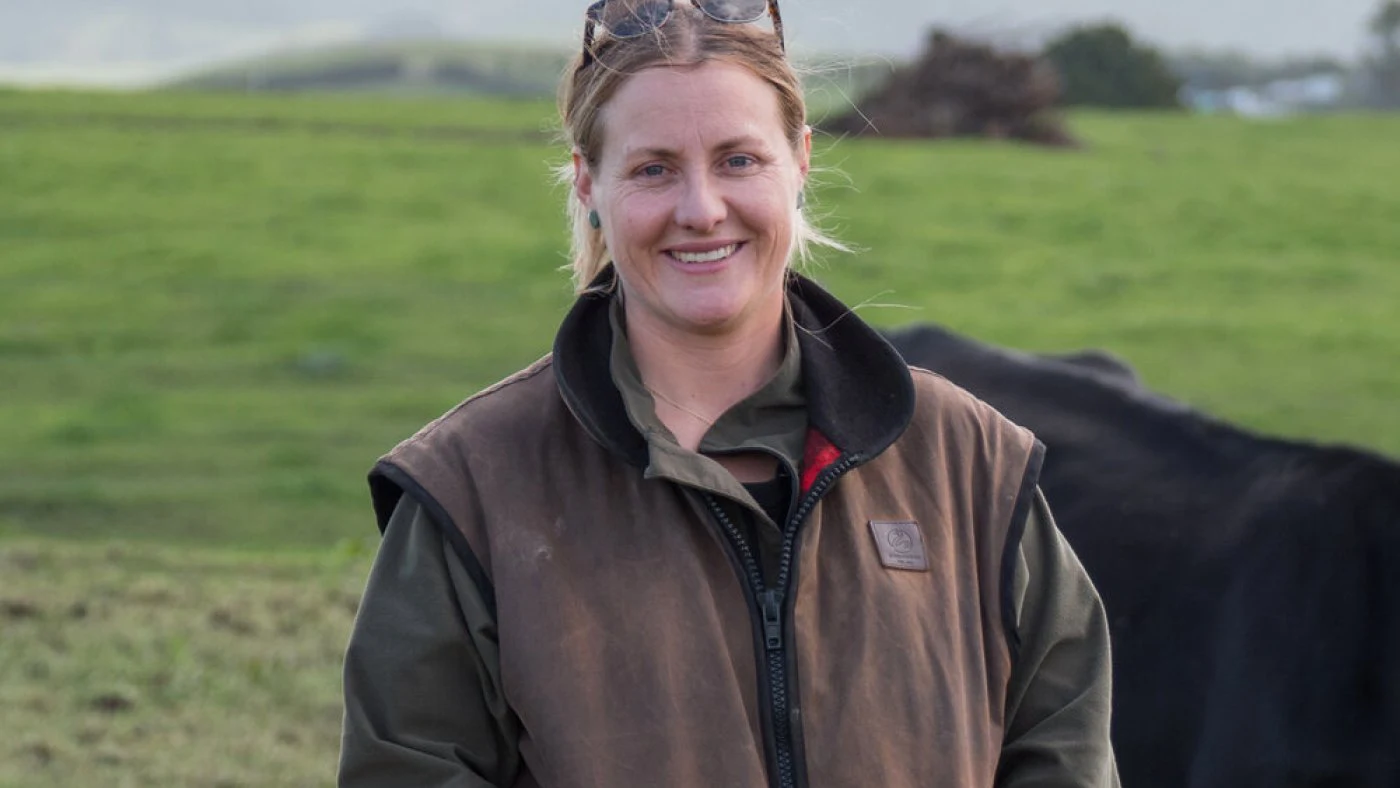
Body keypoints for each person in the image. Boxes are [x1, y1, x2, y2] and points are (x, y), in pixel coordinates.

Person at [338, 1, 1120, 786]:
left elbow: (1064, 752)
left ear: (800, 161)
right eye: (653, 169)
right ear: (588, 183)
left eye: (739, 160)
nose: (702, 210)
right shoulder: (472, 490)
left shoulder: (968, 465)